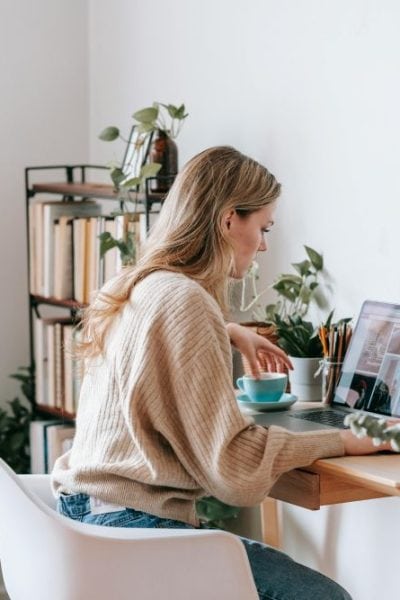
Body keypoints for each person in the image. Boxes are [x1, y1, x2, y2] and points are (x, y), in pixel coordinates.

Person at [52, 146, 391, 600]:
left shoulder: (135, 283)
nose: (265, 244)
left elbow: (155, 340)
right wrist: (345, 439)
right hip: (132, 528)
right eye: (263, 227)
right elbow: (233, 469)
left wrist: (229, 330)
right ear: (229, 220)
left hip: (85, 515)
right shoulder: (187, 302)